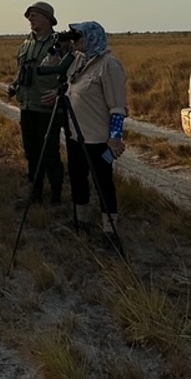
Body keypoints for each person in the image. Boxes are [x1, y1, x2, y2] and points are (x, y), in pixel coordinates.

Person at [62, 21, 128, 235]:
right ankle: (80, 222)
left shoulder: (109, 65)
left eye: (79, 36)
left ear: (92, 37)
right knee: (77, 179)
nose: (75, 41)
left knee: (103, 183)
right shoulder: (78, 61)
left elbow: (118, 107)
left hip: (98, 139)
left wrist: (115, 137)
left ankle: (110, 230)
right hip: (75, 135)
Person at [7, 2, 72, 205]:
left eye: (34, 15)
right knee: (31, 152)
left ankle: (56, 195)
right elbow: (23, 69)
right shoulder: (26, 43)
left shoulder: (61, 43)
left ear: (47, 18)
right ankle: (35, 193)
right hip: (27, 105)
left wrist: (59, 92)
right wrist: (14, 85)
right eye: (29, 16)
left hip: (48, 108)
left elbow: (73, 73)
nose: (30, 19)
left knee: (49, 152)